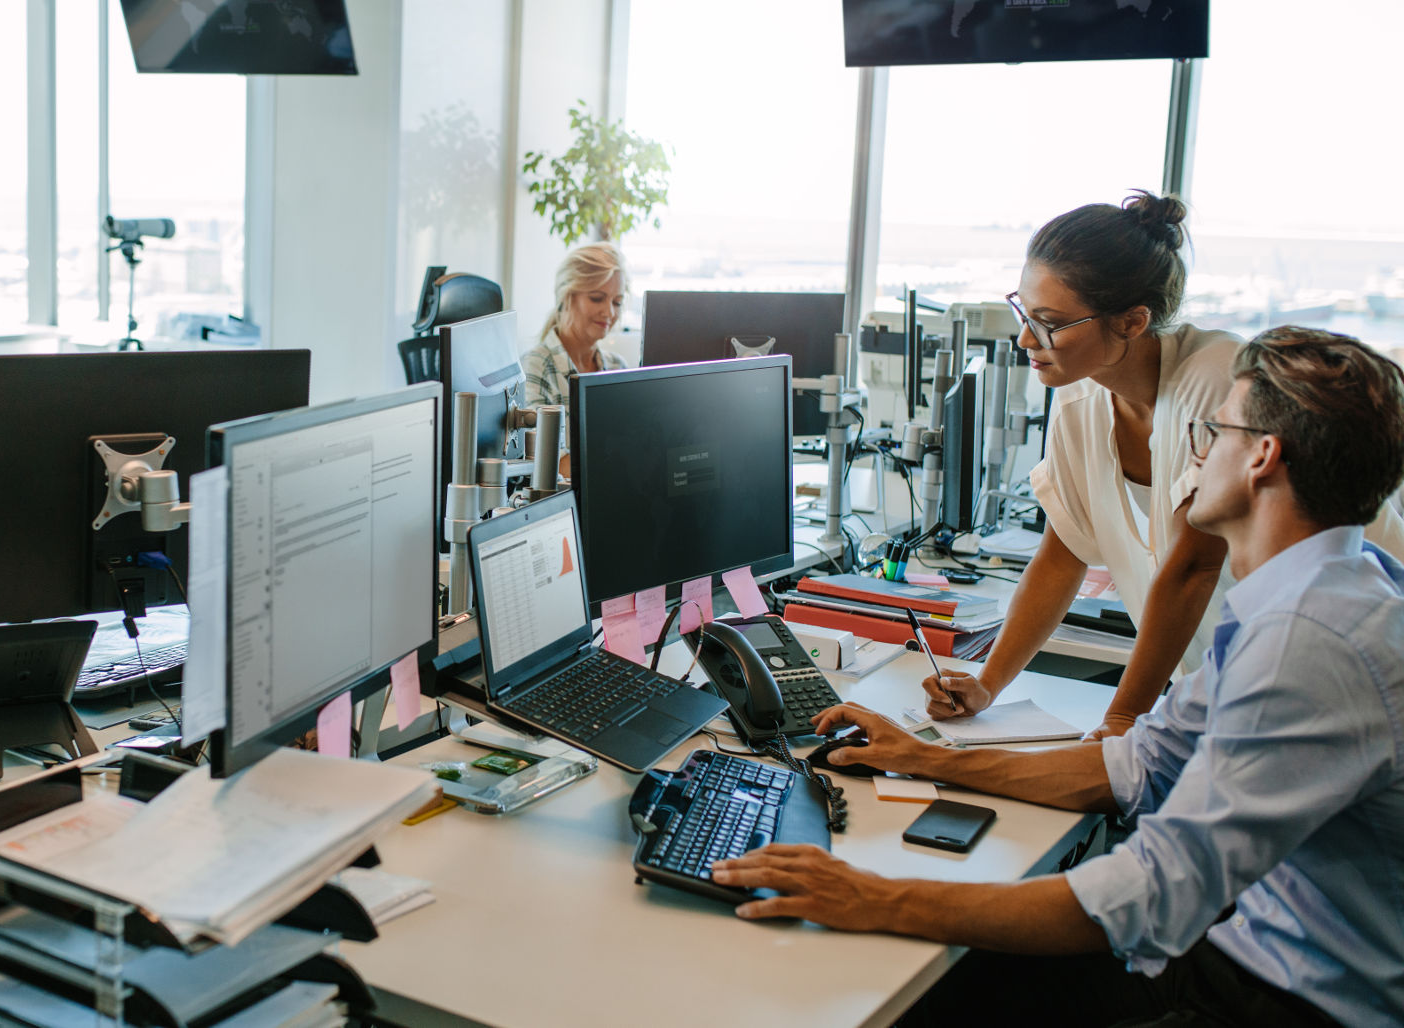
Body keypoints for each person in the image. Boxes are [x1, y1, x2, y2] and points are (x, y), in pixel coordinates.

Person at [713, 327, 1404, 1027]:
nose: (1196, 451)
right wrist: (924, 759)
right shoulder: (1315, 595)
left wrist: (877, 895)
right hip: (1242, 952)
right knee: (947, 982)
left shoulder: (1309, 641)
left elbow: (1153, 891)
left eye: (1213, 431)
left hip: (1291, 1003)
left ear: (1262, 456)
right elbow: (1138, 765)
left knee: (910, 993)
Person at [923, 192, 1401, 738]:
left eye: (1050, 322)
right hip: (1235, 682)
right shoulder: (1080, 397)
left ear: (1133, 321)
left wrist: (1121, 722)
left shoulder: (1219, 382)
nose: (1026, 338)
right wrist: (988, 684)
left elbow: (1193, 568)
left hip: (1343, 669)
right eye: (1024, 313)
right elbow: (1061, 557)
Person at [520, 243, 630, 473]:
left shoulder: (618, 367)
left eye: (617, 302)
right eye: (597, 298)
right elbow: (551, 465)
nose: (609, 312)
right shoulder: (535, 368)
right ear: (567, 297)